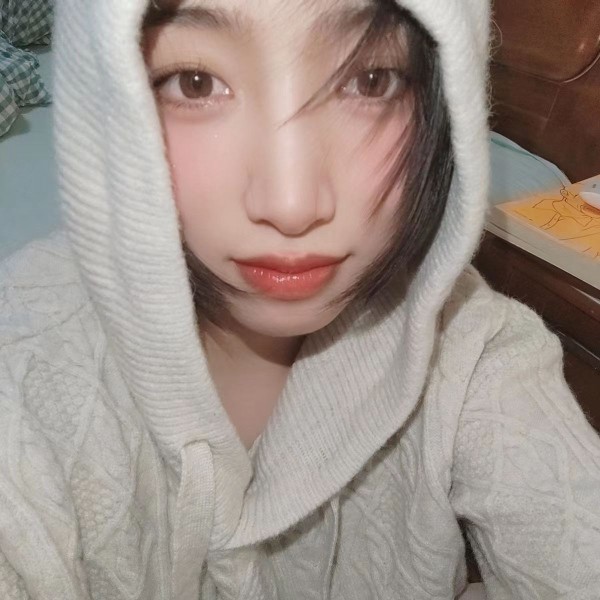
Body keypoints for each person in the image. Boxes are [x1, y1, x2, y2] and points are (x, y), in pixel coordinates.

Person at [0, 0, 599, 598]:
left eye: (371, 81)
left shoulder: (471, 349)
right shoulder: (21, 369)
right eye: (195, 83)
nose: (291, 205)